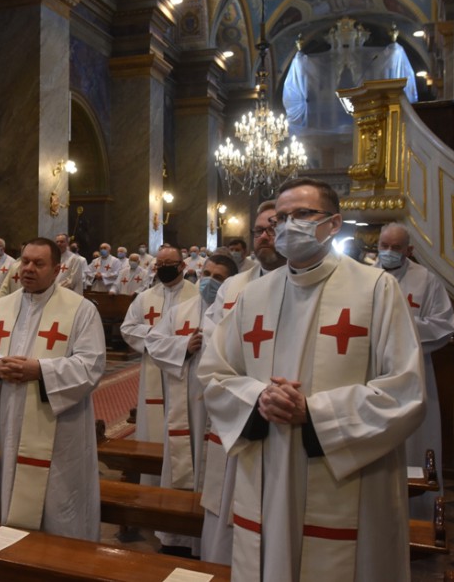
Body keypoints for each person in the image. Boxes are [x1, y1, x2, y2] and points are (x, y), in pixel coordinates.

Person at [198, 178, 425, 581]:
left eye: (302, 214)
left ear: (334, 224)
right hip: (268, 461)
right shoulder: (254, 295)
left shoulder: (375, 289)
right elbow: (214, 372)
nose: (288, 226)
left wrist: (315, 412)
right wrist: (258, 398)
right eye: (281, 217)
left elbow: (406, 391)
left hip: (344, 470)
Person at [0, 237, 106, 540]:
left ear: (57, 270)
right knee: (7, 487)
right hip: (6, 420)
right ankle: (6, 558)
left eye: (38, 263)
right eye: (24, 261)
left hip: (56, 425)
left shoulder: (80, 310)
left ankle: (57, 563)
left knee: (56, 499)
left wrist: (40, 370)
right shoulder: (2, 307)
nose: (28, 268)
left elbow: (91, 365)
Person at [200, 200, 287, 564]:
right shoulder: (233, 287)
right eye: (259, 230)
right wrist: (253, 393)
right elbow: (212, 344)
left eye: (273, 228)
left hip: (292, 418)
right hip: (244, 412)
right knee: (232, 514)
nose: (264, 236)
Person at [145, 254, 237, 555]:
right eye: (207, 273)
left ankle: (213, 546)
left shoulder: (238, 313)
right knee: (183, 467)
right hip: (187, 406)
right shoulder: (180, 311)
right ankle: (180, 541)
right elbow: (154, 344)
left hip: (222, 410)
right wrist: (183, 346)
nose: (209, 281)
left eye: (219, 277)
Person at [376, 222, 454, 520]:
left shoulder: (427, 281)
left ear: (409, 250)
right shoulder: (364, 277)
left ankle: (419, 514)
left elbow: (443, 327)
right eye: (384, 246)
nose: (388, 252)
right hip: (374, 375)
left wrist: (401, 324)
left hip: (415, 375)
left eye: (396, 248)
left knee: (415, 444)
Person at [120, 244, 198, 485]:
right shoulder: (145, 298)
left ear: (183, 266)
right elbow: (128, 329)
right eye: (160, 266)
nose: (163, 270)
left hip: (187, 372)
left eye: (169, 265)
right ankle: (152, 488)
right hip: (154, 372)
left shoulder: (198, 297)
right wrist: (160, 336)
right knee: (153, 431)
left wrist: (172, 343)